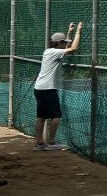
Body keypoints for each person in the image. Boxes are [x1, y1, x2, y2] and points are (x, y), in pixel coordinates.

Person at [33, 22, 83, 151]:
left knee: (42, 116)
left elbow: (65, 46)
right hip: (48, 89)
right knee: (56, 116)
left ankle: (39, 142)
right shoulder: (54, 52)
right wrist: (78, 32)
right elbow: (73, 49)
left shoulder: (49, 51)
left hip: (40, 88)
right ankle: (51, 142)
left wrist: (69, 32)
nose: (65, 44)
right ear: (58, 43)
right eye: (64, 42)